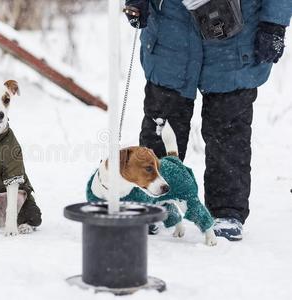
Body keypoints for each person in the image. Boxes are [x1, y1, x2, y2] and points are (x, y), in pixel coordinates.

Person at [124, 0, 291, 241]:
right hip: (172, 33)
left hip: (234, 37)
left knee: (229, 132)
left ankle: (226, 211)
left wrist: (275, 23)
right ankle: (156, 201)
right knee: (162, 125)